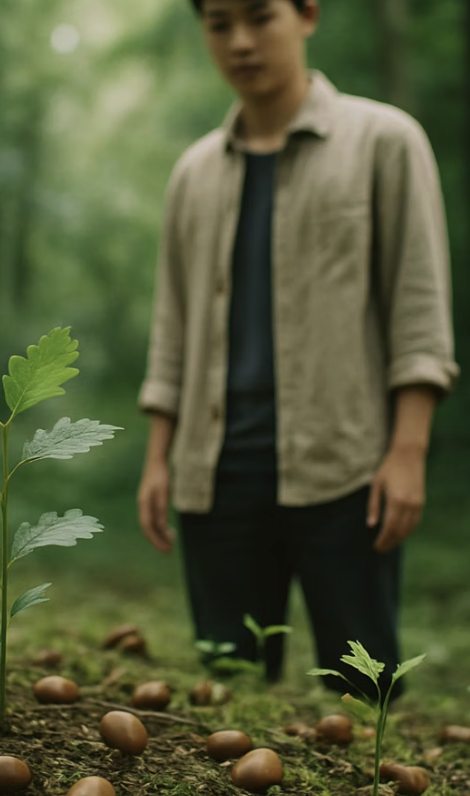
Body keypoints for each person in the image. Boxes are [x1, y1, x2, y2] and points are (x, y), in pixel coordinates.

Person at [137, 0, 459, 699]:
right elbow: (174, 326)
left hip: (347, 465)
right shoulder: (194, 172)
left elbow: (419, 308)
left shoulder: (384, 141)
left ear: (307, 13)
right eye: (220, 24)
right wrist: (159, 457)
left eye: (261, 17)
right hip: (215, 469)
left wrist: (408, 451)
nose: (242, 42)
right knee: (229, 684)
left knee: (365, 690)